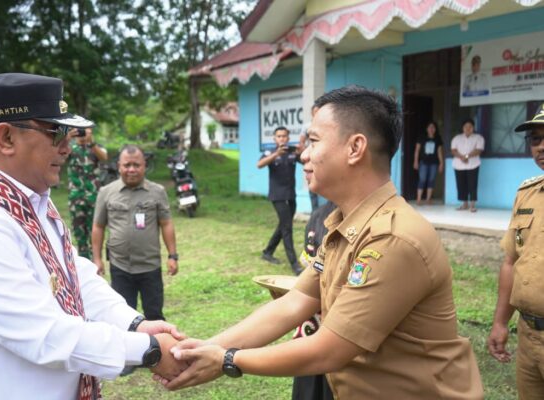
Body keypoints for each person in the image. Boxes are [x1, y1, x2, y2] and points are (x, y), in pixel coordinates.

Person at [156, 85, 484, 399]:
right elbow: (296, 301)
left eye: (313, 140)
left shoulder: (393, 238)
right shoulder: (344, 223)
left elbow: (329, 348)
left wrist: (228, 360)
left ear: (355, 148)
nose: (304, 155)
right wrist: (203, 348)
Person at [0, 73, 185, 399]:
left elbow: (75, 277)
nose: (67, 147)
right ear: (6, 138)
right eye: (56, 132)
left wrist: (134, 324)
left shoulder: (27, 201)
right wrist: (150, 349)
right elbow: (43, 334)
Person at [488, 104, 544, 400]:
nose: (541, 146)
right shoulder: (526, 194)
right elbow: (511, 262)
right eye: (535, 139)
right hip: (528, 334)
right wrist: (500, 323)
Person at [92, 144, 178, 322]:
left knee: (154, 316)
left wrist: (173, 256)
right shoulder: (106, 192)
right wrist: (97, 259)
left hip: (150, 266)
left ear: (144, 165)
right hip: (120, 266)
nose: (131, 169)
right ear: (119, 166)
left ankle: (157, 349)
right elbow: (98, 226)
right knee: (124, 319)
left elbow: (166, 223)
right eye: (127, 165)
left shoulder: (157, 192)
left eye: (136, 165)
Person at [293, 201, 337, 400]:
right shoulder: (319, 215)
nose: (307, 168)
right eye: (303, 166)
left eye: (313, 165)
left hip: (341, 333)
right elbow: (312, 270)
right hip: (313, 323)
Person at [258, 126, 303, 275]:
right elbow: (259, 165)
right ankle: (294, 264)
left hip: (291, 195)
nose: (282, 138)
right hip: (277, 196)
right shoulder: (269, 152)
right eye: (279, 136)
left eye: (284, 136)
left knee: (283, 225)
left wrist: (301, 151)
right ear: (274, 139)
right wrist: (276, 154)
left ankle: (267, 252)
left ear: (288, 138)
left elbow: (304, 160)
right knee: (287, 228)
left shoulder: (291, 152)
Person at [68, 126, 107, 259]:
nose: (83, 133)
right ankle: (84, 260)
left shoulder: (95, 147)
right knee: (79, 232)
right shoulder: (70, 148)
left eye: (86, 130)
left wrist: (91, 142)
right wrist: (67, 137)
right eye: (80, 130)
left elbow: (104, 157)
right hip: (76, 197)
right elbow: (56, 153)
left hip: (94, 196)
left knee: (95, 229)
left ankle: (96, 260)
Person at [451, 118, 484, 212]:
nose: (468, 128)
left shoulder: (478, 137)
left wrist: (467, 156)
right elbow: (453, 150)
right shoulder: (457, 138)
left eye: (470, 126)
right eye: (466, 126)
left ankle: (472, 205)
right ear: (463, 128)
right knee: (461, 185)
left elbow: (479, 150)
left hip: (473, 164)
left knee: (472, 185)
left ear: (473, 128)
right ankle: (464, 204)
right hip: (458, 165)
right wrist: (461, 157)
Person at [412, 121, 444, 205]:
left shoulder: (438, 139)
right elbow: (417, 150)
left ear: (435, 129)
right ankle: (418, 199)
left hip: (434, 163)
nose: (431, 129)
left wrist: (441, 163)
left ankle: (428, 199)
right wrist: (415, 161)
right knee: (422, 179)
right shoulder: (422, 137)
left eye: (433, 127)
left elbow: (439, 151)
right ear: (427, 129)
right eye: (430, 127)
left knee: (431, 180)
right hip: (423, 162)